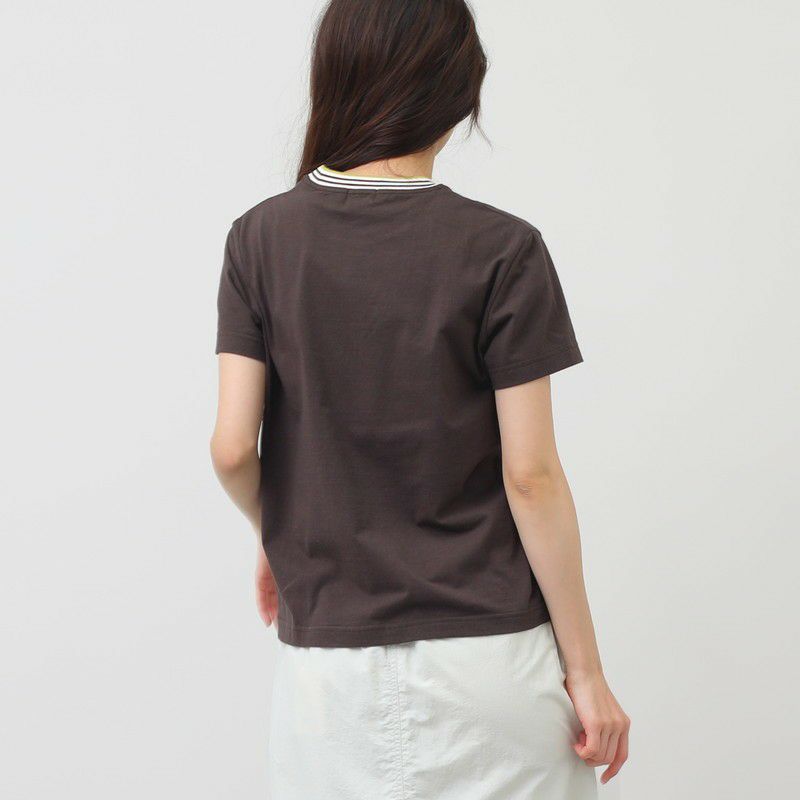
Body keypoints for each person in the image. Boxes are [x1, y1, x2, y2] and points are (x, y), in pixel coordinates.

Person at [211, 1, 629, 797]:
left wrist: (279, 530)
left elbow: (232, 449)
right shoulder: (503, 249)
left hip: (327, 681)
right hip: (492, 663)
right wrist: (586, 672)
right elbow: (531, 476)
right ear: (456, 89)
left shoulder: (258, 239)